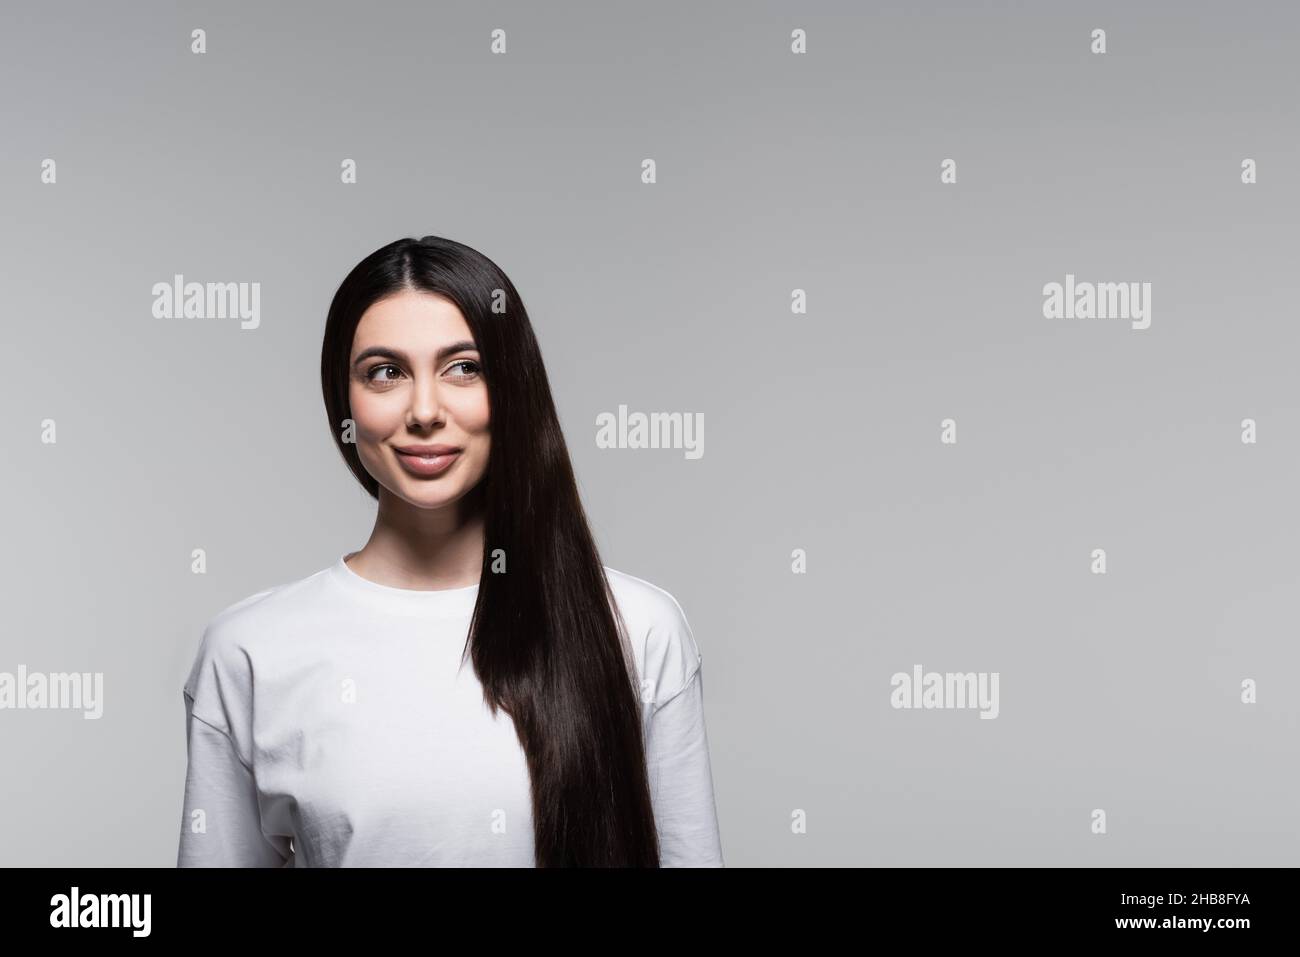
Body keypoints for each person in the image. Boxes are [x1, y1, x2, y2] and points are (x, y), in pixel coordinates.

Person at [175, 236, 723, 867]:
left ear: (512, 387)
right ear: (343, 401)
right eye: (386, 372)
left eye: (464, 367)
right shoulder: (250, 652)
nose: (426, 411)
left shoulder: (639, 629)